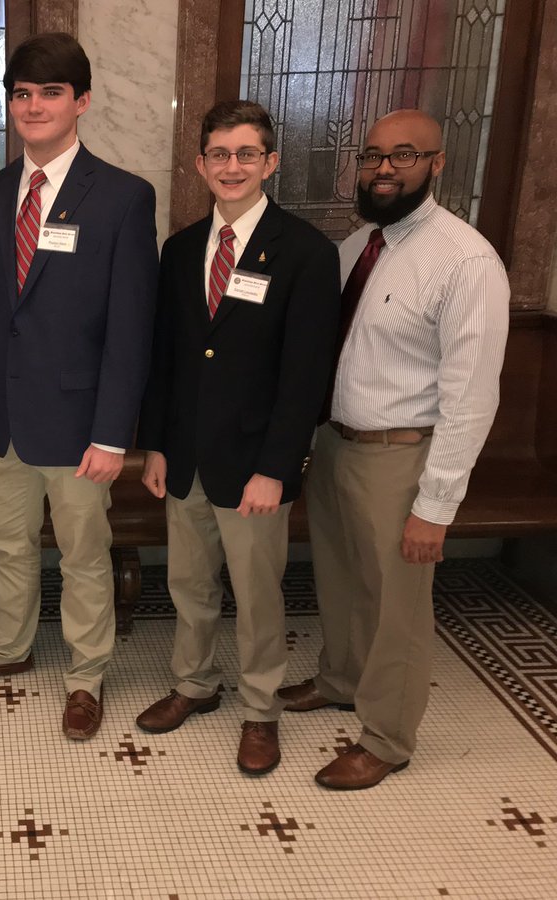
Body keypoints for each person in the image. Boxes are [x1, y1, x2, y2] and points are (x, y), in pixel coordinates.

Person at [0, 32, 160, 740]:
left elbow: (131, 328)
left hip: (77, 423)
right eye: (22, 93)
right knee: (6, 546)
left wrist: (112, 434)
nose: (33, 106)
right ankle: (7, 646)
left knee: (84, 556)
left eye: (51, 93)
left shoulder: (124, 197)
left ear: (81, 102)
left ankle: (86, 675)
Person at [278, 109, 510, 789]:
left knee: (398, 608)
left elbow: (472, 394)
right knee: (342, 578)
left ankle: (386, 737)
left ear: (438, 164)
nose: (384, 169)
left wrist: (435, 506)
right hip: (337, 445)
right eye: (373, 155)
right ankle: (341, 679)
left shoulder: (466, 260)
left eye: (404, 155)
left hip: (401, 457)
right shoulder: (358, 246)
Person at [132, 100, 340, 774]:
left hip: (255, 463)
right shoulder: (181, 249)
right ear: (200, 164)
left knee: (257, 597)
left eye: (246, 154)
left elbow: (306, 375)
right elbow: (165, 358)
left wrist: (277, 467)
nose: (232, 166)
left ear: (269, 162)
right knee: (189, 584)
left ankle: (260, 709)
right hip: (186, 458)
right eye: (219, 154)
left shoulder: (306, 252)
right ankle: (194, 684)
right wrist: (156, 444)